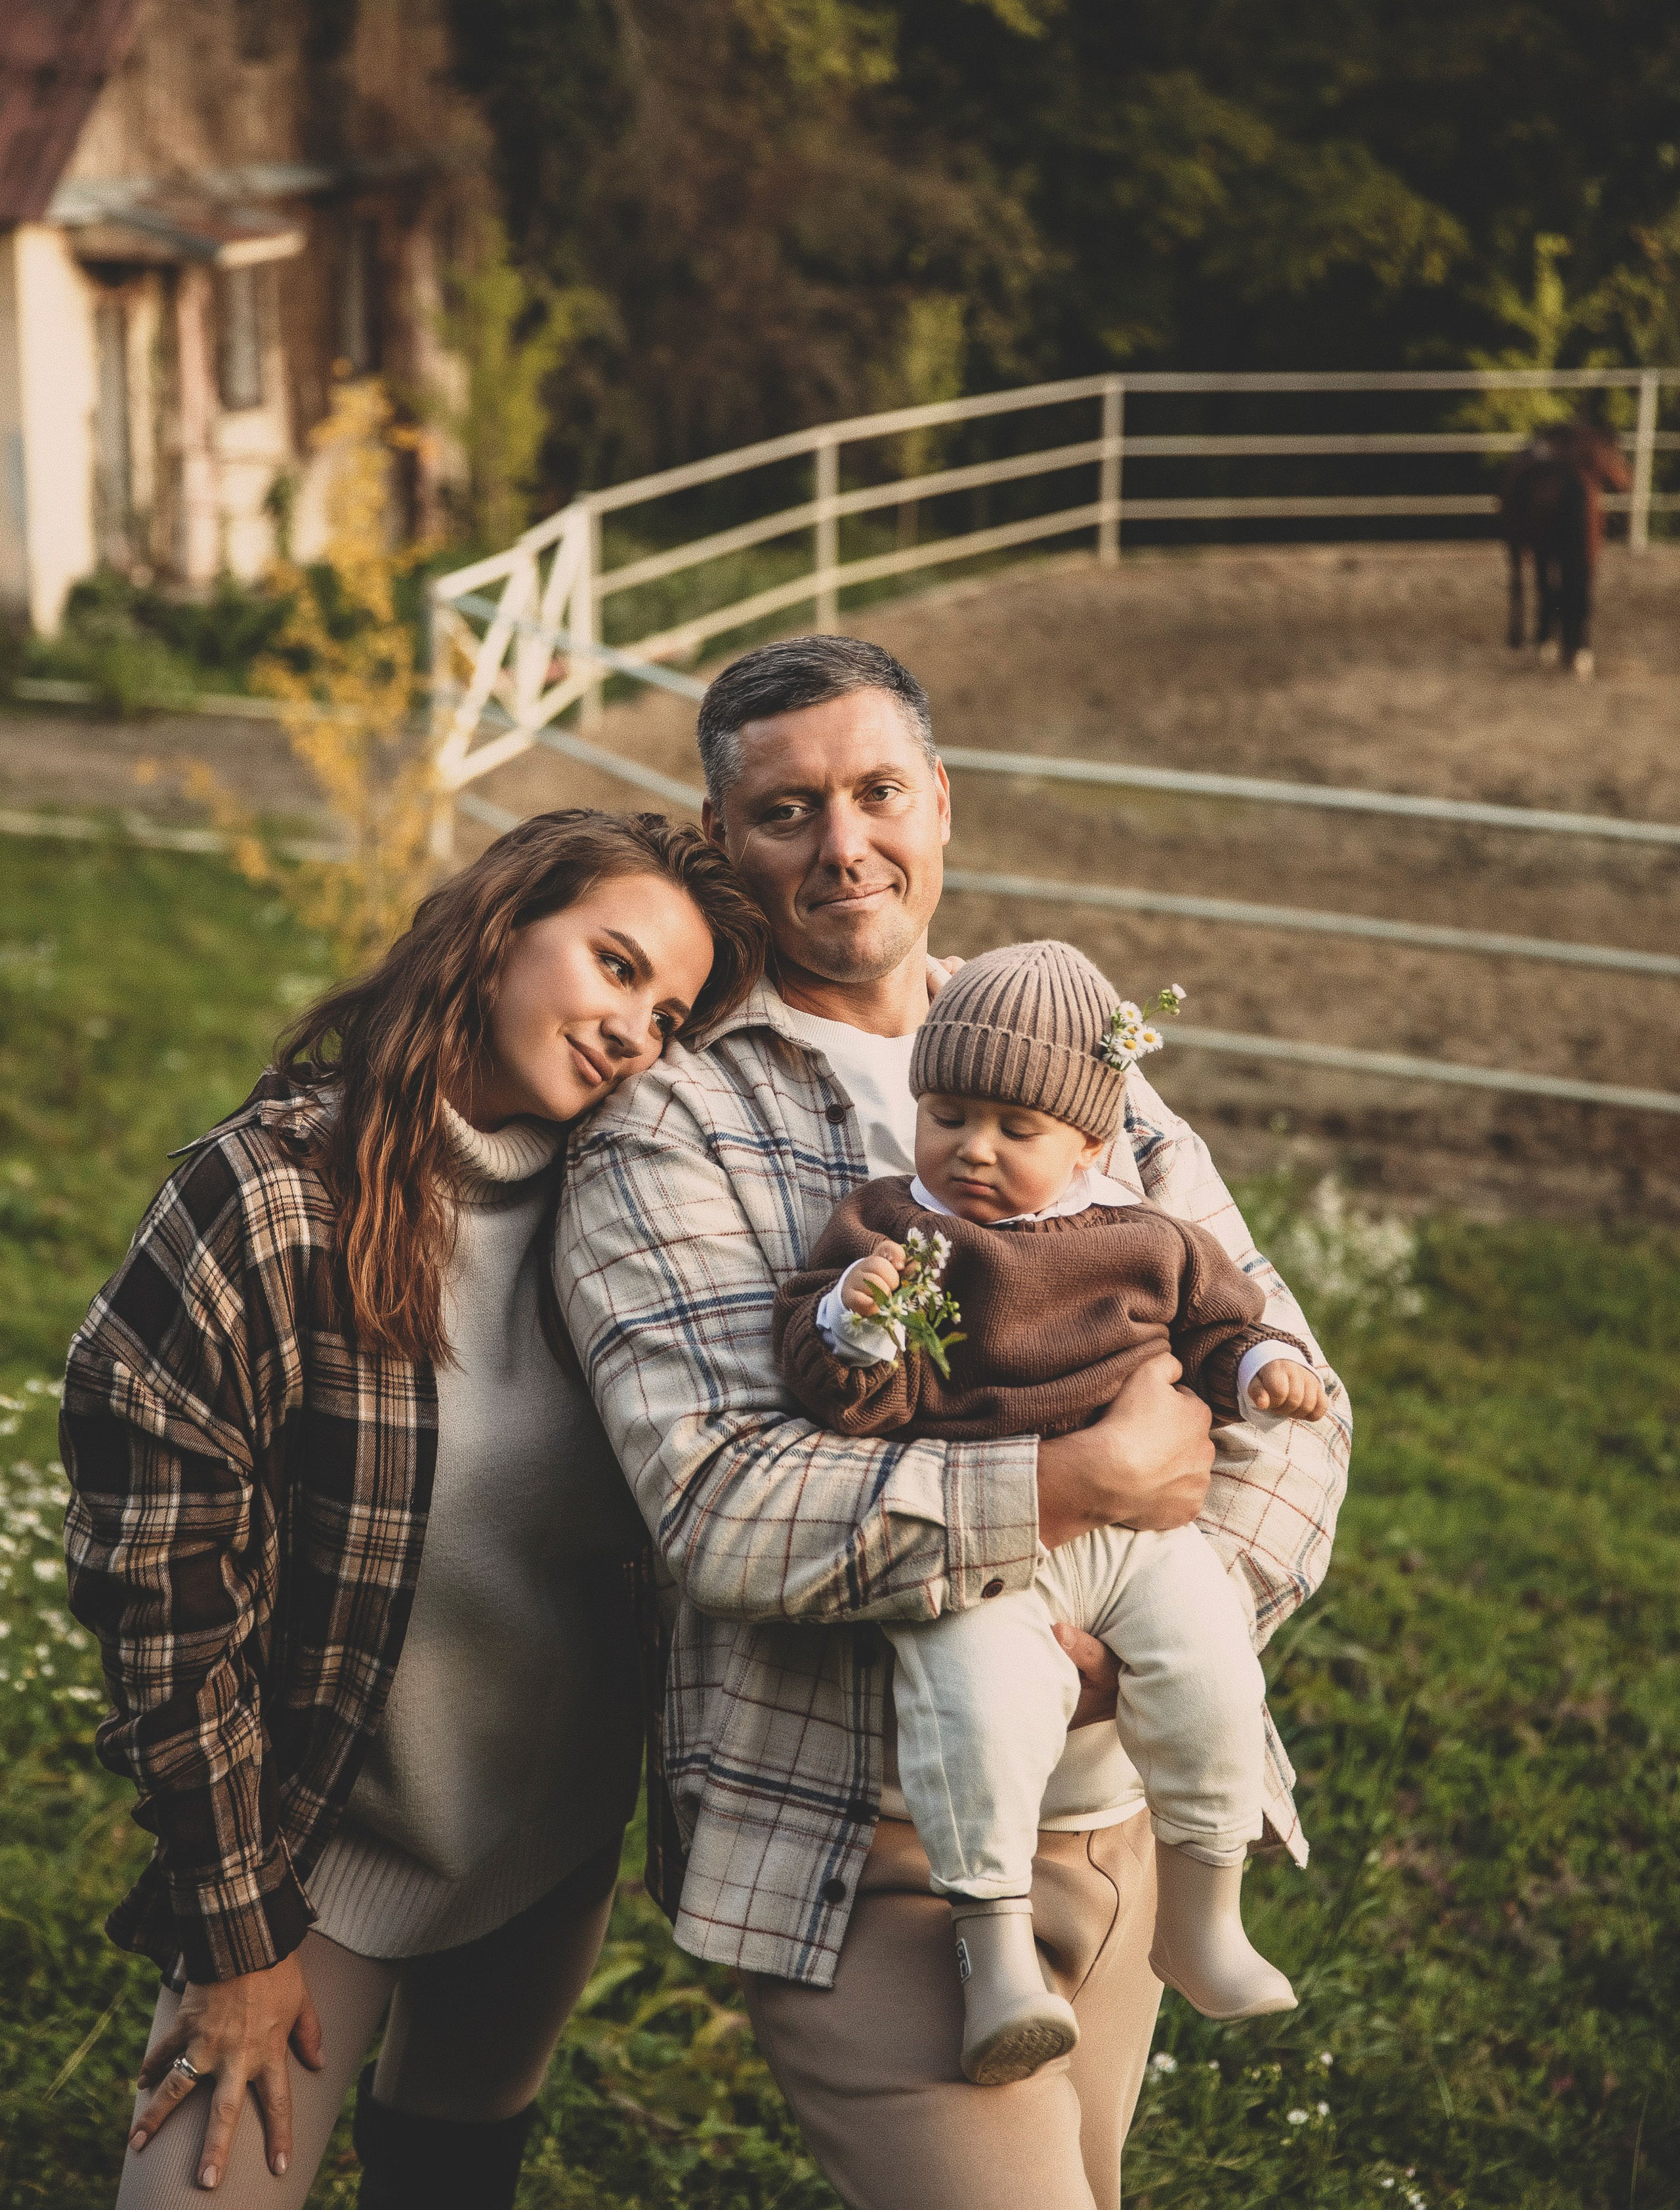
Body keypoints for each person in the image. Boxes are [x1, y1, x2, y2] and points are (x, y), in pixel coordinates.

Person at [560, 635, 1352, 2210]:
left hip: (1132, 1801)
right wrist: (1075, 1486)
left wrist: (1128, 1651)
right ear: (723, 845)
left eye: (874, 792)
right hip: (868, 1840)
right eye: (784, 813)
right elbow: (722, 1501)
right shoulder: (675, 1124)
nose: (842, 844)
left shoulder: (1080, 1062)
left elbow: (1291, 1398)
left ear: (942, 804)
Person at [60, 810, 765, 2209]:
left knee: (450, 2180)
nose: (635, 1030)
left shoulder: (630, 1216)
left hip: (547, 1844)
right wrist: (237, 1936)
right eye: (614, 966)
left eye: (669, 1012)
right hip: (315, 1859)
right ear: (499, 927)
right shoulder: (266, 1205)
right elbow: (162, 1605)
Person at [774, 937, 1330, 2087]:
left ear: (1087, 1139)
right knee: (981, 1708)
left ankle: (1203, 1910)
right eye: (949, 1112)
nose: (972, 1149)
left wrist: (1261, 1363)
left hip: (1139, 1538)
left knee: (1214, 1668)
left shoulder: (1145, 1233)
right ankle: (996, 1956)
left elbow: (1224, 1323)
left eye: (1014, 1128)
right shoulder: (889, 1230)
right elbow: (830, 1389)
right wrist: (855, 1321)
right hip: (988, 1540)